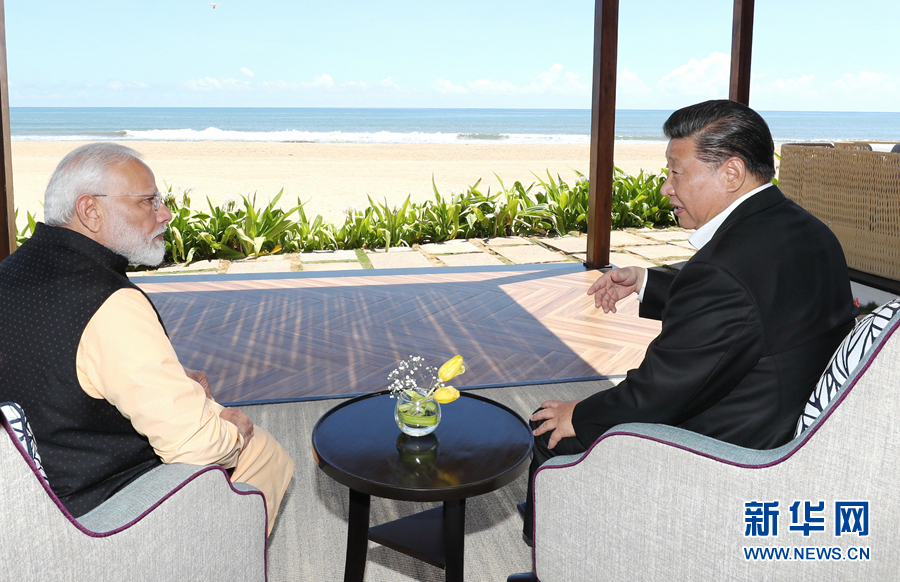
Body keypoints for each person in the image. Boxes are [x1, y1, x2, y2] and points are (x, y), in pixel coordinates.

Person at [519, 100, 858, 545]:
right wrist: (646, 281)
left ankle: (552, 551)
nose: (666, 188)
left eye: (676, 172)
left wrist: (579, 414)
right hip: (780, 415)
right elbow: (753, 306)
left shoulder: (722, 272)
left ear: (731, 173)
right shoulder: (803, 228)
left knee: (548, 429)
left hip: (734, 444)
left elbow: (654, 395)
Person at [0, 143, 294, 536]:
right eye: (148, 201)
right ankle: (219, 556)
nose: (165, 213)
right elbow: (194, 445)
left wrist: (172, 377)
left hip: (30, 487)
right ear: (90, 210)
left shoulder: (12, 270)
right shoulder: (108, 302)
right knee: (263, 452)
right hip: (91, 509)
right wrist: (234, 433)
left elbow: (51, 362)